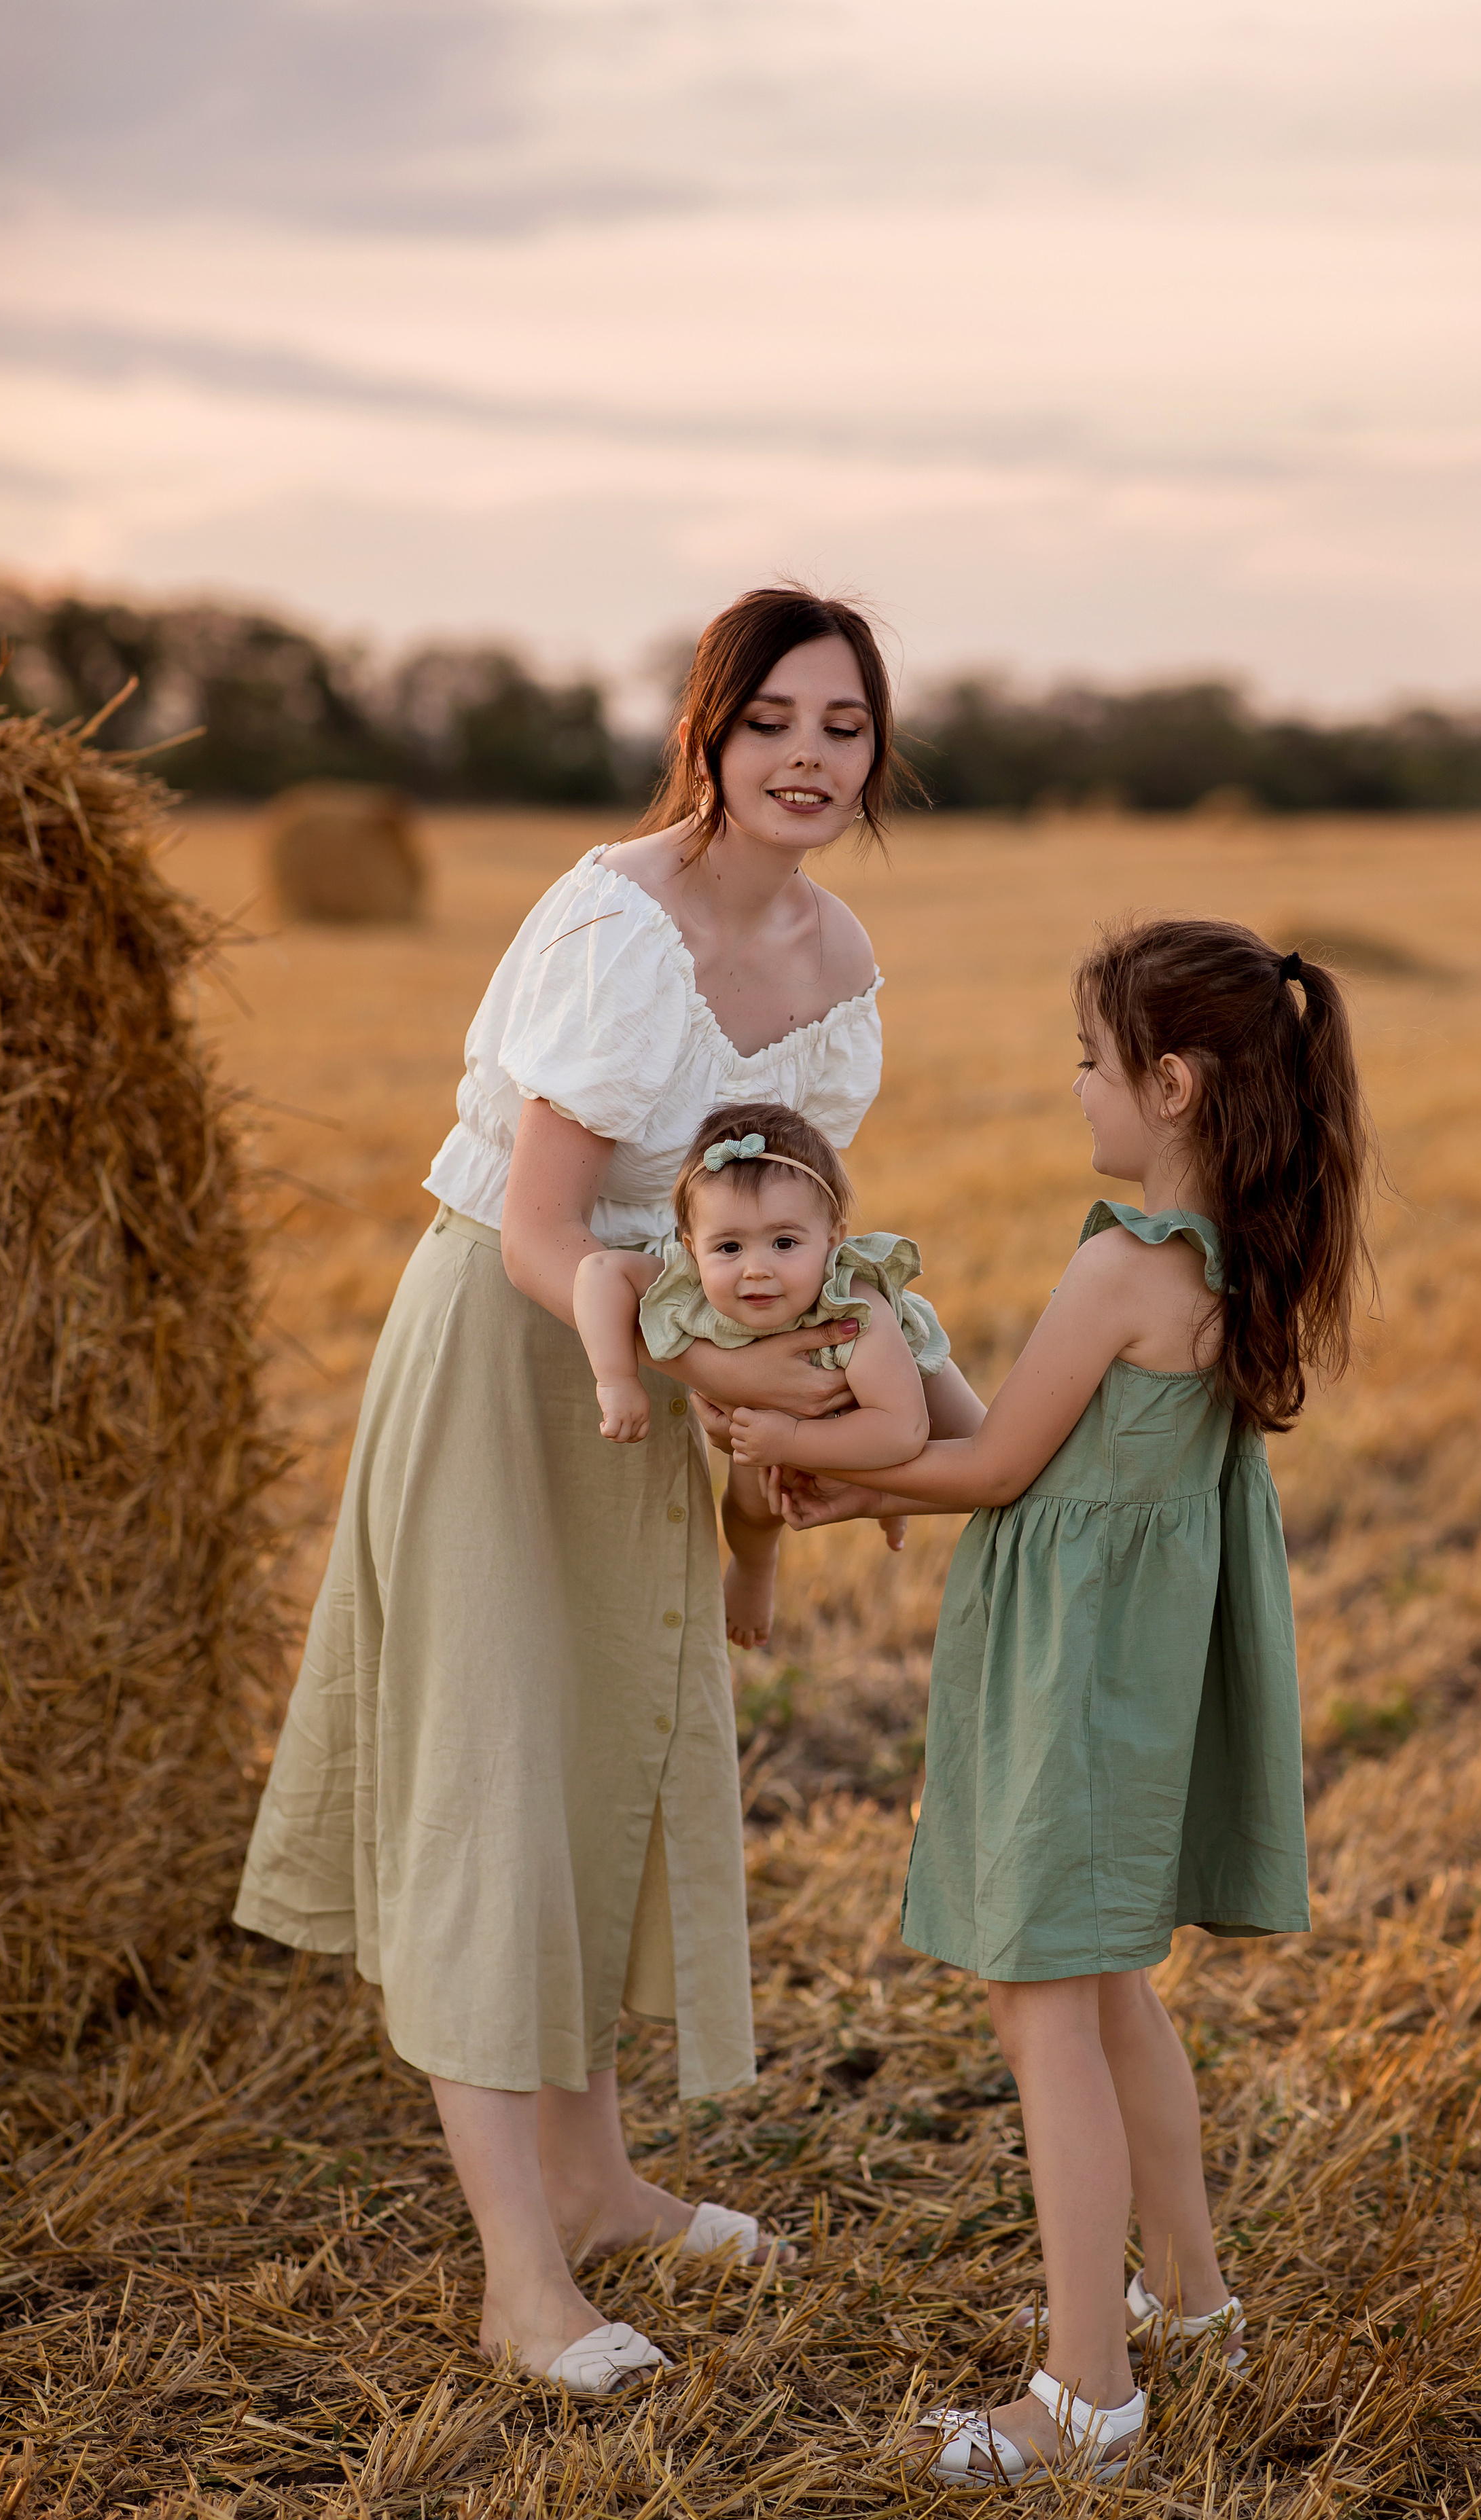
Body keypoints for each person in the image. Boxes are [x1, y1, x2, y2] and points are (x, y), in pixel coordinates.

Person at [234, 585, 949, 2398]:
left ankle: (600, 2176)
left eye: (844, 726)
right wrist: (702, 1370)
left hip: (663, 1356)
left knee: (616, 1753)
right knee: (500, 1778)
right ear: (706, 734)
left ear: (880, 750)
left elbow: (778, 1215)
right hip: (514, 1344)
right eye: (773, 719)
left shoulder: (835, 953)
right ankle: (521, 2279)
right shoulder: (613, 927)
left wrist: (826, 1387)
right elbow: (551, 1230)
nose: (808, 757)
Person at [782, 920, 1374, 2486]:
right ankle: (1190, 2303)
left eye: (1085, 1062)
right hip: (1128, 1674)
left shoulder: (1121, 1259)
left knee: (1044, 1999)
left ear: (1166, 1082)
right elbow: (1024, 1439)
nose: (1073, 1090)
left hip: (1072, 1677)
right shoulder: (1224, 1255)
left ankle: (1082, 2395)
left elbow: (983, 1469)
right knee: (1107, 1990)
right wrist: (908, 1377)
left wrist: (836, 1474)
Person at [572, 1097, 953, 1647]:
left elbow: (902, 1428)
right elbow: (598, 1270)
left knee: (958, 1442)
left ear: (833, 1239)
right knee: (752, 1510)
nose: (757, 1269)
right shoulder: (686, 1282)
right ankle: (754, 1570)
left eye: (784, 1243)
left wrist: (794, 1436)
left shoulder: (855, 1310)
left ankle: (892, 1506)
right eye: (728, 1246)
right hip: (769, 1429)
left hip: (880, 1404)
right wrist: (616, 1378)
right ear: (691, 1250)